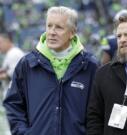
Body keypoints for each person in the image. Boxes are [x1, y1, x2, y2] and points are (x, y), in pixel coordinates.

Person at [3, 6, 98, 135]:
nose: (52, 32)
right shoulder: (27, 64)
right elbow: (13, 104)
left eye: (59, 27)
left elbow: (98, 112)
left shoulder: (90, 66)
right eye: (49, 26)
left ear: (72, 33)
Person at [0, 31, 25, 99]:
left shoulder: (14, 53)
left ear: (7, 41)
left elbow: (12, 74)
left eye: (1, 43)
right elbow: (7, 69)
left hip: (15, 96)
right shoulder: (11, 53)